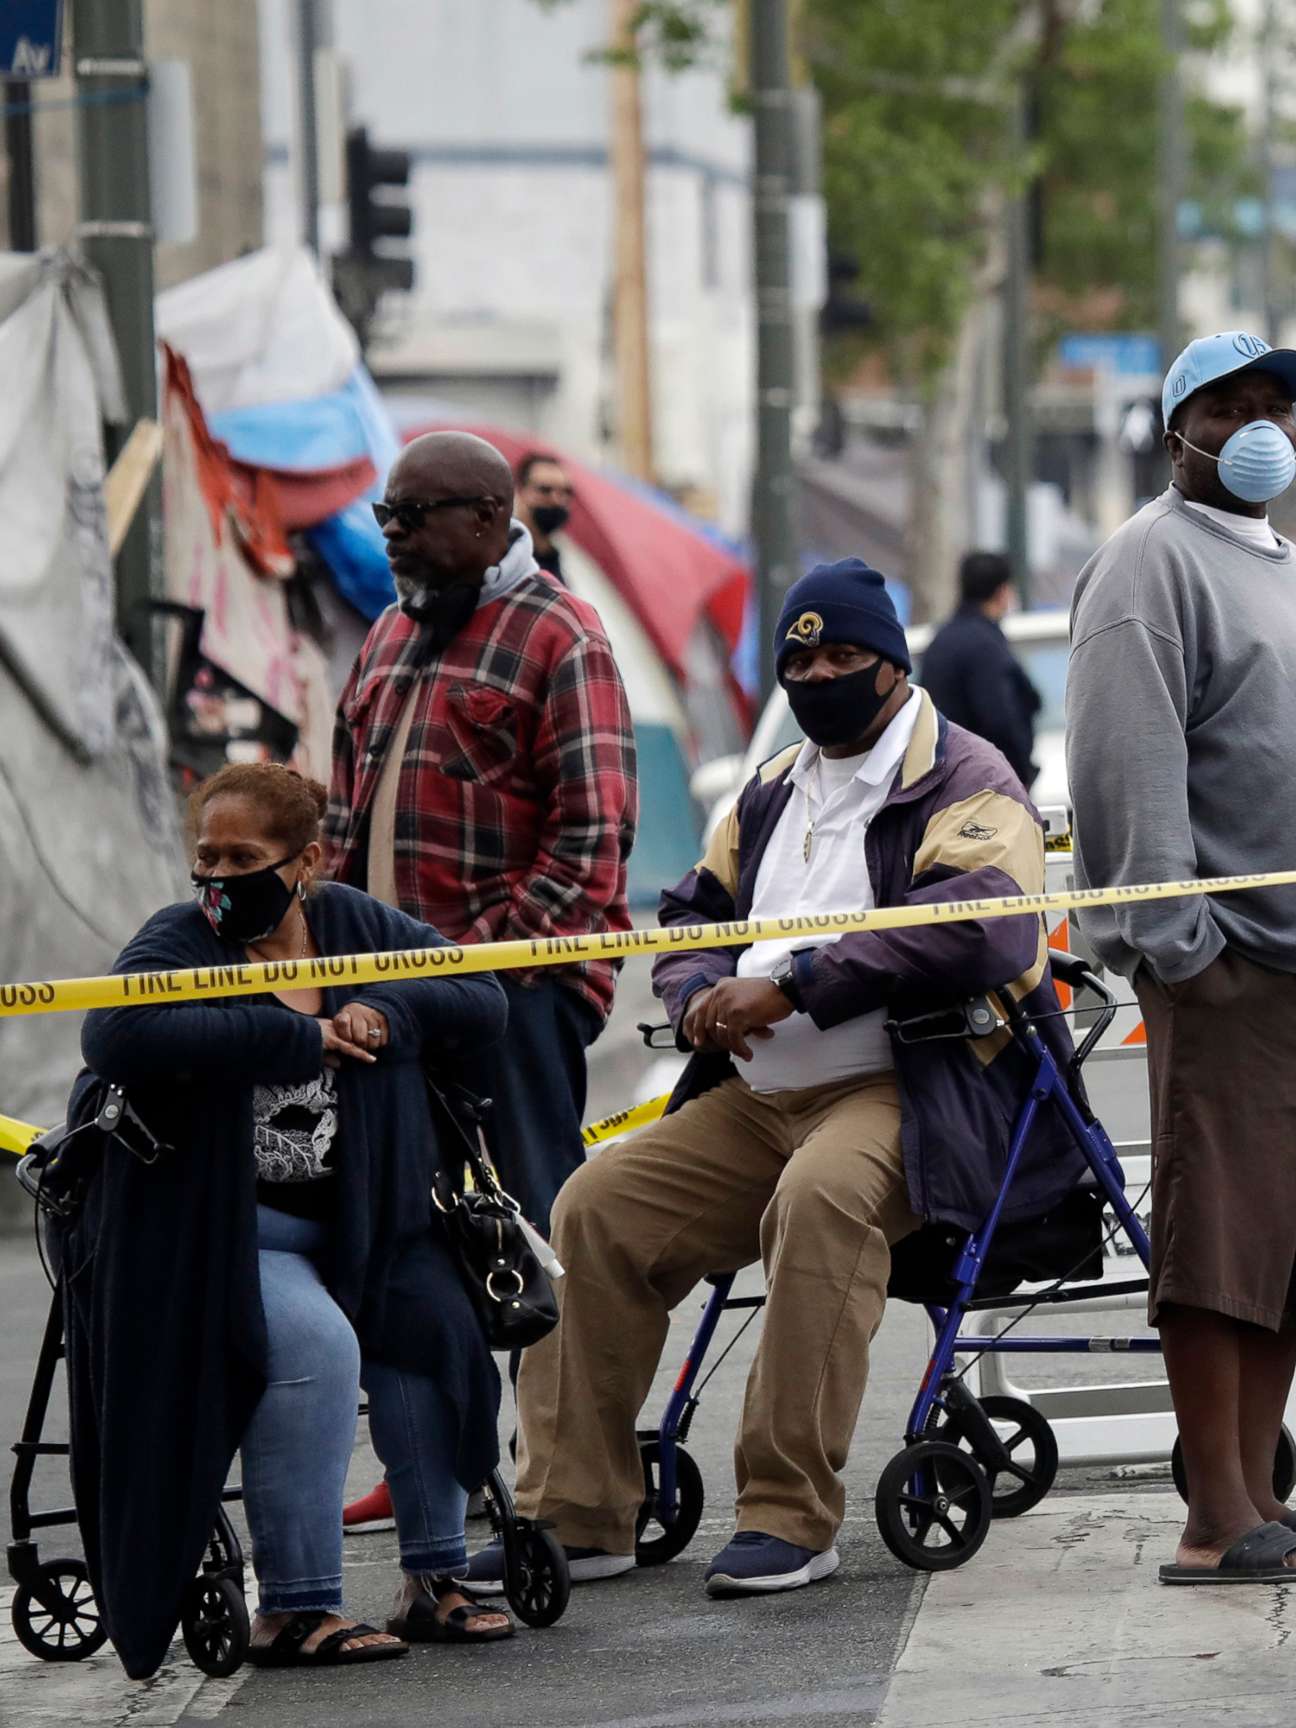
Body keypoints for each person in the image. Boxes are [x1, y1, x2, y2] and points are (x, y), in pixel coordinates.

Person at [466, 560, 1077, 1599]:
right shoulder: (772, 787)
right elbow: (695, 911)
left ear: (891, 666)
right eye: (800, 658)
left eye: (843, 655)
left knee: (823, 1198)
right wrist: (703, 987)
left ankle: (789, 1513)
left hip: (910, 1087)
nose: (819, 673)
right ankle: (579, 1511)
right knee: (592, 1205)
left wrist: (794, 985)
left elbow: (981, 930)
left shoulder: (966, 779)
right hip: (756, 1099)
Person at [1067, 331, 1296, 1583]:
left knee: (1292, 1246)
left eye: (1277, 405)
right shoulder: (1148, 563)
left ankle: (1258, 1483)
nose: (1260, 425)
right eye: (1230, 405)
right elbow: (1128, 763)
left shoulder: (1292, 564)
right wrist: (1181, 948)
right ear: (1178, 431)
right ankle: (1216, 1513)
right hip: (1236, 968)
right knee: (1221, 1251)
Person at [67, 763, 512, 1674]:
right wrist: (296, 1035)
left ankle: (434, 1578)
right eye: (207, 859)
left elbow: (482, 996)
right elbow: (114, 1034)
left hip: (363, 1226)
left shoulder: (354, 924)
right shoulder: (180, 940)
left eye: (245, 858)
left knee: (432, 1324)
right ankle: (295, 1608)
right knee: (317, 1349)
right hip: (234, 1238)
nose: (220, 879)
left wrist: (385, 1009)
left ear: (307, 859)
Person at [324, 430, 636, 1236]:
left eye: (414, 515)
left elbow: (594, 834)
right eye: (386, 514)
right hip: (387, 988)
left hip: (516, 988)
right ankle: (442, 1369)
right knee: (401, 1226)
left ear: (491, 515)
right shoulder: (388, 632)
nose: (392, 532)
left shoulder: (561, 633)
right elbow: (341, 811)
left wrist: (498, 962)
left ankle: (562, 1367)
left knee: (539, 1224)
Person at [916, 549, 1043, 786]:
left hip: (944, 781)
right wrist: (1020, 776)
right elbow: (1000, 720)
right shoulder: (986, 646)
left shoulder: (940, 640)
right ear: (1003, 591)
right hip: (986, 784)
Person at [514, 450, 576, 577]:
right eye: (545, 490)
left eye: (566, 492)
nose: (557, 500)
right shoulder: (504, 557)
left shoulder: (561, 559)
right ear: (520, 491)